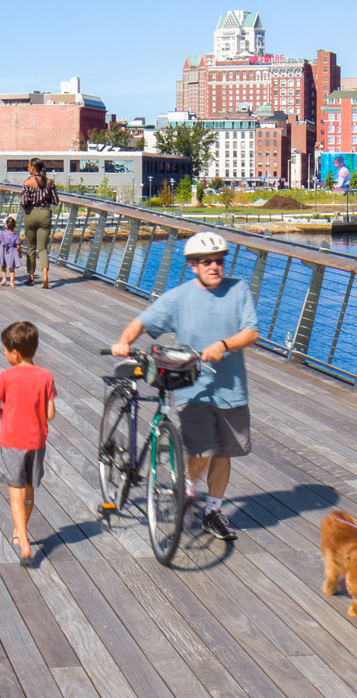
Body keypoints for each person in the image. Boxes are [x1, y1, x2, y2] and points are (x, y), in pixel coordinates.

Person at [109, 231, 260, 540]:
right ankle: (189, 491)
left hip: (232, 389)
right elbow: (142, 322)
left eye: (219, 261)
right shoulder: (178, 297)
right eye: (207, 263)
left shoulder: (238, 289)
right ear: (193, 266)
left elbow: (251, 332)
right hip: (193, 386)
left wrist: (224, 344)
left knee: (224, 452)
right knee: (203, 449)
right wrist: (123, 342)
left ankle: (213, 511)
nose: (215, 267)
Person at [0, 320, 56, 564]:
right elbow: (50, 414)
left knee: (15, 492)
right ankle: (21, 528)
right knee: (28, 491)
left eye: (5, 350)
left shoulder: (5, 377)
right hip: (36, 441)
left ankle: (24, 542)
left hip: (12, 440)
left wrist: (9, 415)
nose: (4, 354)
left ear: (14, 353)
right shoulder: (46, 377)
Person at [17, 159, 58, 287]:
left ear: (33, 168)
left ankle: (31, 277)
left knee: (31, 248)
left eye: (29, 166)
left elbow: (24, 203)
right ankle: (45, 275)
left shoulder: (27, 183)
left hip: (31, 214)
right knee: (42, 248)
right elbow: (55, 201)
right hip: (45, 214)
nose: (28, 168)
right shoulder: (50, 182)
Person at [0, 215, 23, 287]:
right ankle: (12, 282)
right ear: (14, 226)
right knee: (11, 268)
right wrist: (20, 253)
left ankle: (4, 279)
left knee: (3, 266)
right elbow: (18, 246)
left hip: (3, 251)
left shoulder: (3, 233)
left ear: (6, 226)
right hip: (12, 253)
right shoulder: (16, 236)